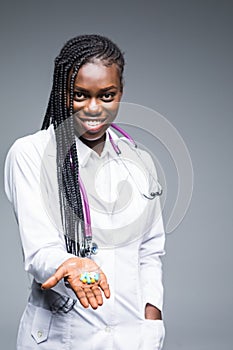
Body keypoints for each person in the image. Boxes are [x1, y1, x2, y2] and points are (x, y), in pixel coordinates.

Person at [4, 34, 166, 349]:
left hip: (131, 337)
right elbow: (39, 252)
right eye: (80, 95)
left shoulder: (140, 161)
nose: (93, 109)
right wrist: (71, 264)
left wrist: (152, 321)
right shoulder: (31, 154)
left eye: (107, 96)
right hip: (64, 335)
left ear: (121, 93)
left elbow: (150, 250)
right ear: (63, 93)